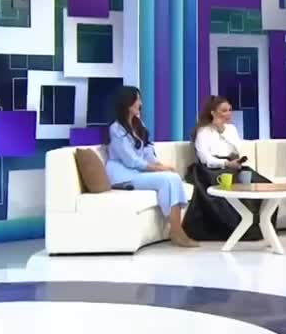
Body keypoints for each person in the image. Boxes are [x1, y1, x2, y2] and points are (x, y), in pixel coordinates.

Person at [105, 86, 198, 248]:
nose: (141, 103)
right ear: (128, 103)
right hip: (123, 175)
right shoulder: (116, 129)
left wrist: (160, 165)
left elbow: (147, 151)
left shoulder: (138, 124)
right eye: (138, 99)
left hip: (138, 172)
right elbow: (130, 160)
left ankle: (177, 230)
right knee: (168, 179)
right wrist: (157, 169)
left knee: (173, 177)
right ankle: (176, 231)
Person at [182, 95, 276, 241]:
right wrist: (225, 163)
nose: (228, 114)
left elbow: (237, 149)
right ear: (213, 113)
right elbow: (205, 159)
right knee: (230, 185)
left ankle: (261, 228)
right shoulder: (203, 131)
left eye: (230, 110)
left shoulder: (231, 129)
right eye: (224, 111)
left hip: (233, 165)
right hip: (210, 170)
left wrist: (222, 131)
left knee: (263, 184)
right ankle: (238, 230)